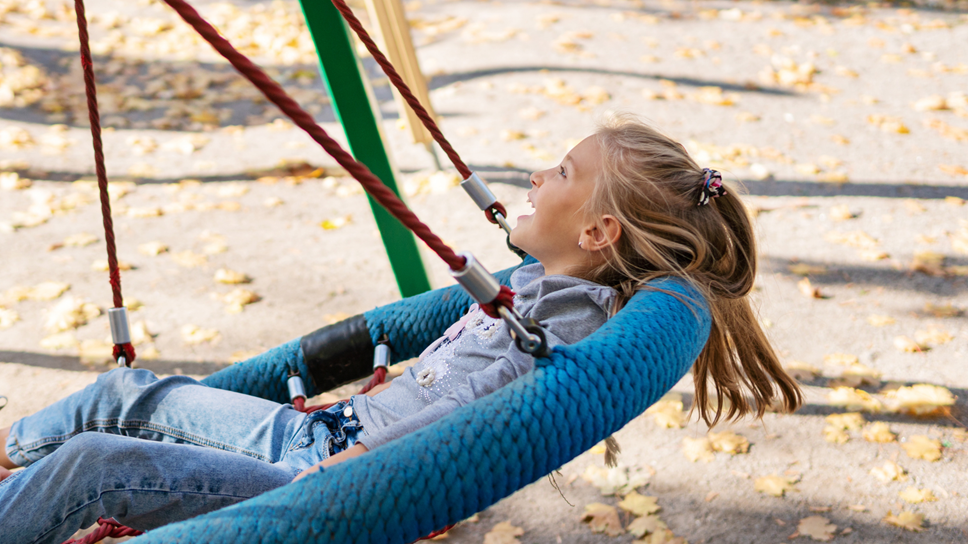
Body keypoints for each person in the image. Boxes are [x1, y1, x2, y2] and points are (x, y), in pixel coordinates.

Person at [0, 113, 802, 543]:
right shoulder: (532, 281)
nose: (535, 173)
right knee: (124, 395)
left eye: (562, 172)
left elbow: (480, 410)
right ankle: (11, 461)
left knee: (98, 464)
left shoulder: (566, 317)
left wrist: (352, 466)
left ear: (598, 235)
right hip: (321, 435)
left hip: (328, 472)